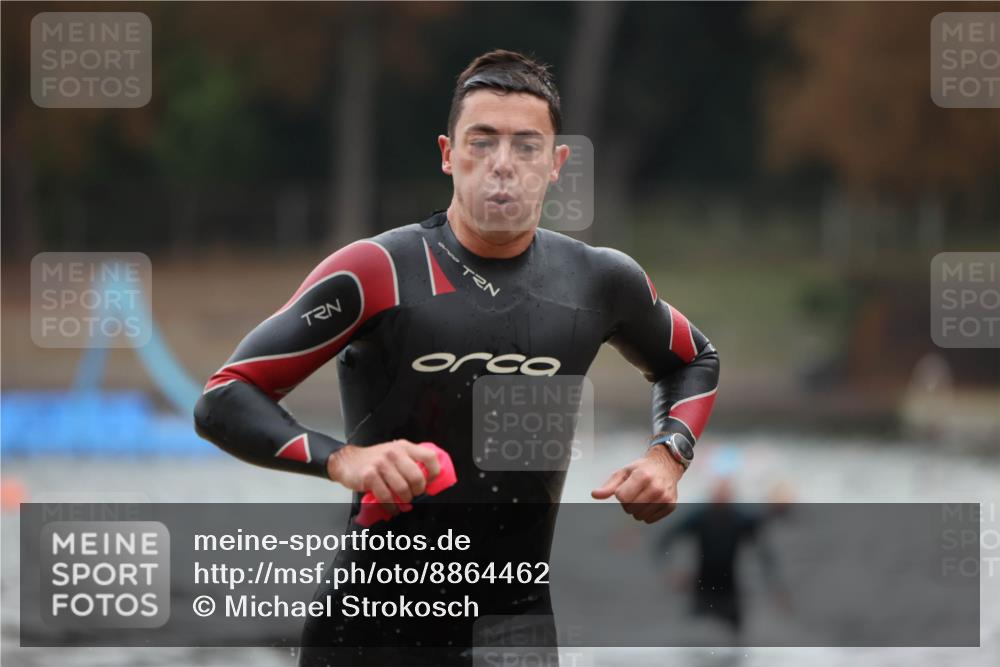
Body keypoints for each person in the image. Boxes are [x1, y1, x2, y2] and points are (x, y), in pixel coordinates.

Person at [194, 48, 720, 666]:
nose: (502, 166)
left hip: (515, 627)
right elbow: (225, 396)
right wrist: (345, 461)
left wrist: (670, 454)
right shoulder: (378, 270)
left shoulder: (599, 281)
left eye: (526, 147)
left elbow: (693, 360)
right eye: (482, 142)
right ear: (448, 154)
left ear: (556, 166)